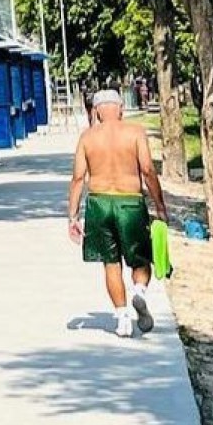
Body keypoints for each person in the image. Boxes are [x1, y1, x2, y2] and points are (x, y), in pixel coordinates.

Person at [67, 87, 168, 337]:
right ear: (121, 108)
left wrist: (73, 216)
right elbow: (147, 170)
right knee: (141, 258)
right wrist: (160, 206)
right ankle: (139, 292)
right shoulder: (135, 133)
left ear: (97, 111)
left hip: (99, 204)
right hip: (130, 202)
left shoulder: (87, 137)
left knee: (110, 263)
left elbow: (78, 178)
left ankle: (122, 319)